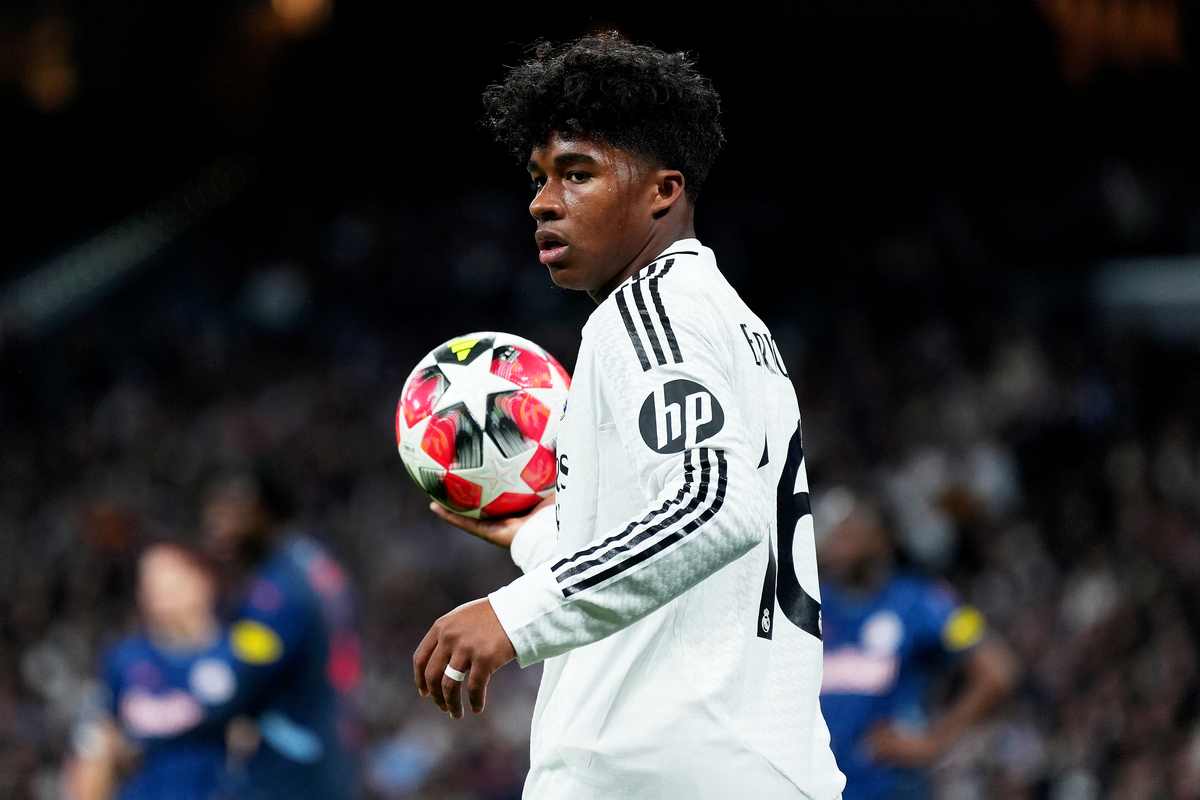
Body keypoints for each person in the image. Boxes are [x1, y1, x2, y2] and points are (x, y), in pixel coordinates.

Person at [413, 32, 845, 799]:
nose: (543, 201)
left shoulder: (646, 312)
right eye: (540, 177)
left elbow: (712, 508)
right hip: (749, 759)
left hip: (663, 771)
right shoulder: (728, 321)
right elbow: (687, 545)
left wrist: (516, 615)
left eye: (577, 174)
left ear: (662, 191)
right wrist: (542, 536)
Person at [816, 488, 1018, 800]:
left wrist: (932, 741)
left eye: (850, 525)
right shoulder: (812, 605)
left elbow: (998, 669)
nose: (837, 536)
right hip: (817, 788)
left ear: (880, 535)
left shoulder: (925, 600)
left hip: (888, 787)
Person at [192, 466, 362, 800]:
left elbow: (241, 678)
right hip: (330, 742)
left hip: (292, 760)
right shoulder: (312, 561)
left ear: (267, 511)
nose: (217, 520)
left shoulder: (276, 594)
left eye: (234, 509)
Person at [66, 542, 231, 800]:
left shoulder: (239, 657)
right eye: (148, 581)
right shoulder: (123, 658)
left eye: (170, 581)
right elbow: (95, 746)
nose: (157, 591)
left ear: (204, 581)